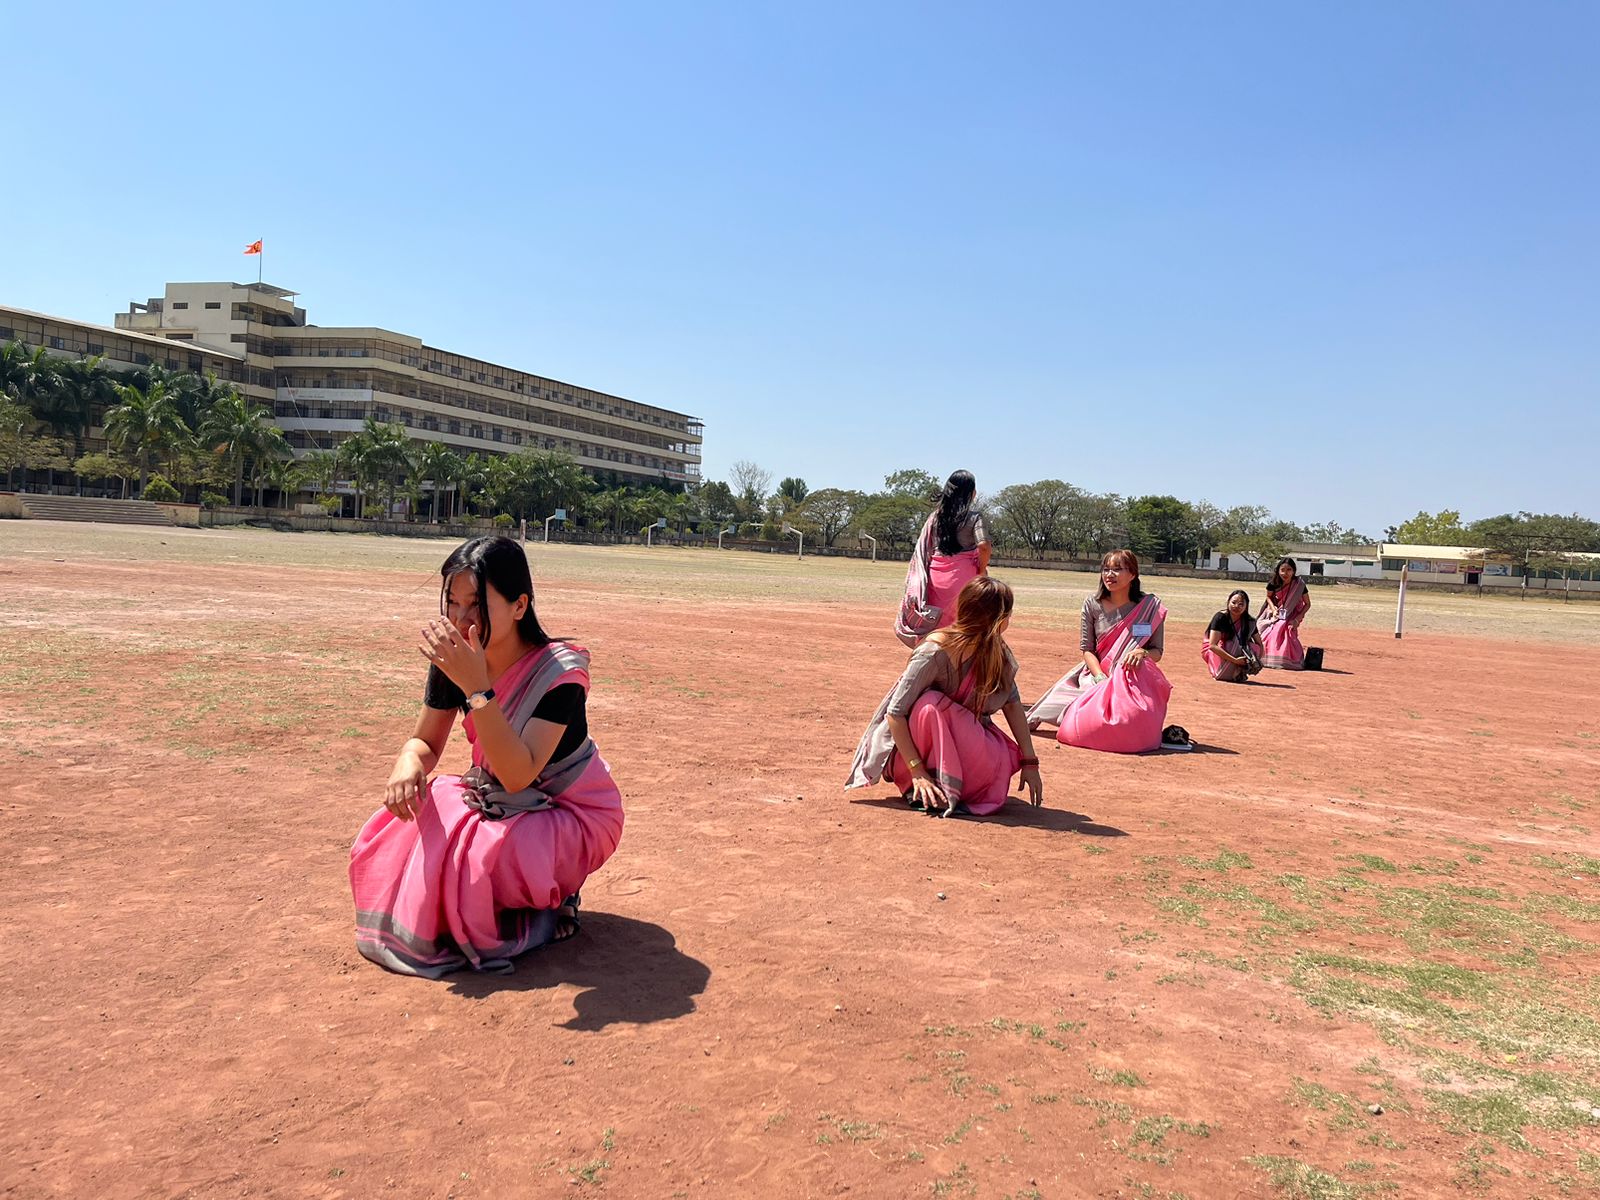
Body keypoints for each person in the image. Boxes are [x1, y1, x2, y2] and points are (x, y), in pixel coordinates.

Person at [349, 536, 624, 978]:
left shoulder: (560, 673)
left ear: (519, 606)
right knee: (423, 815)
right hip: (503, 803)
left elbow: (517, 774)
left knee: (481, 856)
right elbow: (426, 742)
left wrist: (477, 689)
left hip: (572, 815)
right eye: (453, 603)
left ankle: (555, 894)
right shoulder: (456, 660)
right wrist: (408, 761)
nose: (461, 619)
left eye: (475, 604)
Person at [851, 576, 1043, 817]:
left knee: (941, 710)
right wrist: (917, 771)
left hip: (968, 747)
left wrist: (1030, 762)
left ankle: (954, 786)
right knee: (929, 705)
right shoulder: (934, 652)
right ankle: (926, 784)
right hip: (916, 755)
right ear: (998, 620)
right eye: (1008, 614)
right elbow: (895, 714)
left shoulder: (996, 651)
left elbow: (1012, 704)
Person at [1027, 549, 1171, 753]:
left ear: (1132, 574)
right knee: (1055, 709)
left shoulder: (1150, 607)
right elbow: (1087, 650)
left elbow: (1157, 651)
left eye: (1117, 569)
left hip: (1131, 678)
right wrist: (1100, 678)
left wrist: (1142, 653)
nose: (1109, 574)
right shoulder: (1092, 604)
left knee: (1132, 718)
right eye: (1106, 569)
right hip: (1095, 673)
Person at [895, 470, 992, 646]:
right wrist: (981, 568)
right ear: (972, 493)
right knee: (963, 630)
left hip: (936, 577)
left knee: (937, 630)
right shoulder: (974, 518)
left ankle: (932, 659)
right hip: (964, 579)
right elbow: (984, 545)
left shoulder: (935, 518)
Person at [1258, 557, 1311, 670]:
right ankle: (1266, 657)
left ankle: (1289, 660)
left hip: (1292, 613)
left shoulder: (1299, 585)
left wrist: (1297, 618)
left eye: (1289, 570)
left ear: (1294, 571)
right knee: (1271, 630)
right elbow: (1268, 597)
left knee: (1286, 629)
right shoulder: (1273, 583)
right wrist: (1274, 610)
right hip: (1274, 611)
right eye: (1282, 570)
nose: (1285, 573)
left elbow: (1307, 604)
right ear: (1278, 571)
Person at [1203, 588, 1264, 682]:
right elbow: (1212, 645)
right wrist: (1235, 660)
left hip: (1239, 652)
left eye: (1241, 604)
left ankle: (1240, 670)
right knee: (1230, 645)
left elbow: (1260, 644)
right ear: (1228, 602)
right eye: (1233, 602)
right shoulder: (1220, 617)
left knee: (1252, 647)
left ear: (1246, 606)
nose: (1236, 606)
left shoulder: (1249, 622)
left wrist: (1255, 660)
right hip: (1217, 649)